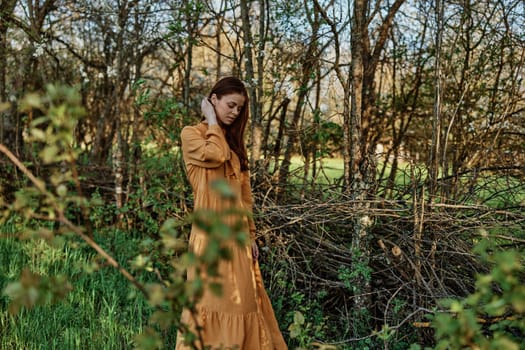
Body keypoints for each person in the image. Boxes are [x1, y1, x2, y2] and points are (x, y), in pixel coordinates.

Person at [176, 76, 287, 350]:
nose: (235, 112)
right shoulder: (192, 135)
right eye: (231, 105)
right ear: (213, 100)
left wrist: (251, 235)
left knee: (245, 304)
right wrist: (212, 121)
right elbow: (215, 155)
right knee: (211, 303)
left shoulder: (236, 148)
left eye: (240, 108)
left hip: (237, 240)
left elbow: (244, 198)